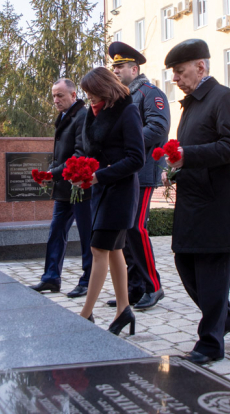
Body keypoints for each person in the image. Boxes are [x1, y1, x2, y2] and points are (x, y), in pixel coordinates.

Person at [162, 38, 230, 364]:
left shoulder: (223, 98)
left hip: (217, 204)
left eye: (180, 71)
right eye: (173, 73)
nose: (175, 78)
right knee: (185, 264)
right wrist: (174, 169)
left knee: (211, 274)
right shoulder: (192, 104)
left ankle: (211, 344)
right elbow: (194, 150)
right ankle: (226, 317)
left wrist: (186, 155)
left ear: (201, 67)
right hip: (193, 201)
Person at [77, 67, 144, 336]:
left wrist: (99, 176)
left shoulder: (128, 110)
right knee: (115, 251)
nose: (89, 97)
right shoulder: (95, 113)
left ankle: (85, 314)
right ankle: (123, 310)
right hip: (101, 189)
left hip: (120, 191)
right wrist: (79, 172)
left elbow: (137, 158)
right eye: (86, 93)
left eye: (92, 91)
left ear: (104, 87)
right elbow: (91, 151)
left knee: (98, 249)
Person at [109, 41, 171, 310]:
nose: (115, 71)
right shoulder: (122, 98)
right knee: (125, 229)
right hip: (125, 170)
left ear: (134, 69)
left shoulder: (150, 93)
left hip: (143, 170)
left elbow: (157, 128)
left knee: (136, 227)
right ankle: (134, 288)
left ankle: (153, 286)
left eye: (120, 67)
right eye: (114, 67)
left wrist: (126, 143)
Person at [28, 79, 93, 297]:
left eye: (60, 95)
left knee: (87, 236)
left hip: (81, 188)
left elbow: (80, 154)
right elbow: (63, 154)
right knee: (56, 232)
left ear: (73, 95)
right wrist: (51, 173)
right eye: (54, 96)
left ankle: (88, 281)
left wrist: (53, 173)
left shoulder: (82, 116)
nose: (56, 100)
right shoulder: (65, 116)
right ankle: (51, 278)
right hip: (65, 189)